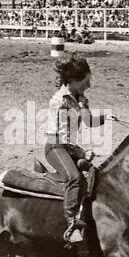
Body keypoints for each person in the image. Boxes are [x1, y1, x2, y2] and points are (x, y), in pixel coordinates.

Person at [43, 54, 104, 245]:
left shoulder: (80, 98)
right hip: (55, 147)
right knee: (75, 178)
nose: (89, 85)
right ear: (74, 80)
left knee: (92, 173)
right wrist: (81, 153)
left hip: (68, 148)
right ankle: (71, 225)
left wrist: (104, 118)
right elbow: (60, 137)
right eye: (86, 81)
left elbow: (88, 121)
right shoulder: (59, 101)